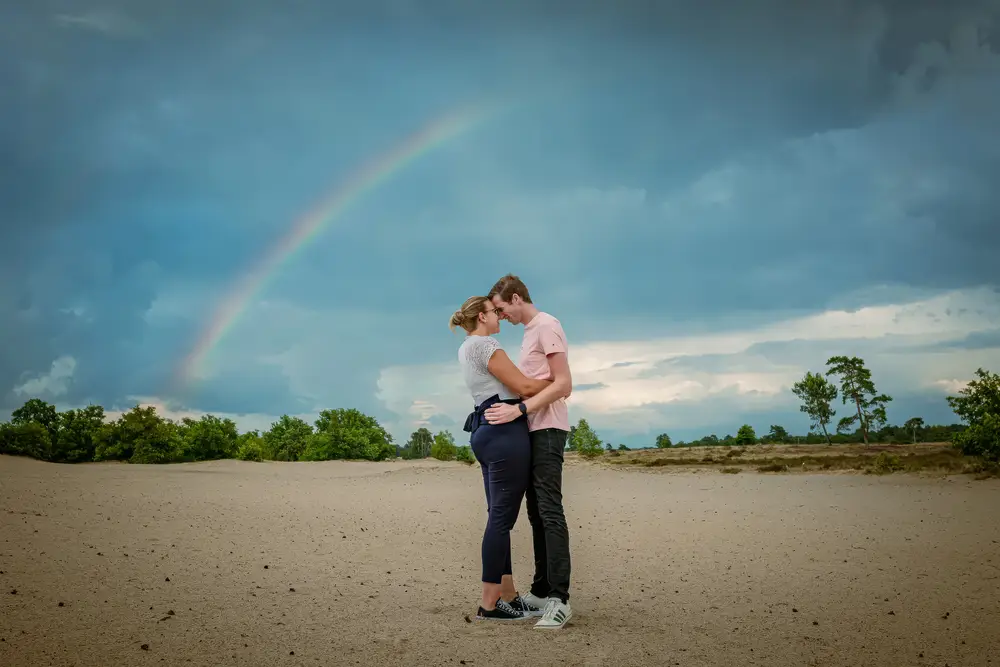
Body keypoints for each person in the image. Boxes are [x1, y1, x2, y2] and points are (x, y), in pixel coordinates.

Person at [449, 296, 554, 621]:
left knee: (498, 516)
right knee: (500, 521)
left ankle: (507, 594)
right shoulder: (486, 344)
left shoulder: (466, 347)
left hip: (484, 432)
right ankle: (489, 603)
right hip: (504, 435)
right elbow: (522, 386)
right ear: (482, 316)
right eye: (495, 312)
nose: (500, 317)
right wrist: (555, 383)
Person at [485, 274, 574, 630]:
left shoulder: (547, 325)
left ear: (517, 298)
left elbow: (564, 384)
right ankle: (541, 590)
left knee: (550, 511)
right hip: (533, 430)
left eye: (502, 308)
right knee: (536, 513)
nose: (500, 315)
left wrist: (520, 410)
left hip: (549, 427)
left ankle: (560, 599)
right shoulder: (528, 332)